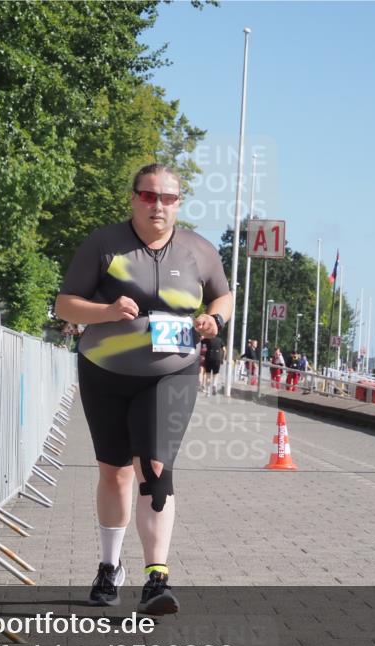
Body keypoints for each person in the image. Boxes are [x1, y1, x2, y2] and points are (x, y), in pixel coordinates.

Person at [55, 163, 232, 615]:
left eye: (168, 198)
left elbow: (222, 295)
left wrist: (217, 319)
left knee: (154, 467)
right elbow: (65, 305)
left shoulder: (199, 250)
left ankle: (157, 578)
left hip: (173, 373)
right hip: (105, 370)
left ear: (179, 203)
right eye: (149, 196)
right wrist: (108, 310)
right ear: (133, 198)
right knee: (114, 472)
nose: (158, 206)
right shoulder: (103, 243)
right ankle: (110, 567)